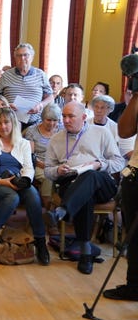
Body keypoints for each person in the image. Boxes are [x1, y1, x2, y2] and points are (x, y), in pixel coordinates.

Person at [44, 102, 124, 274]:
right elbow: (48, 171)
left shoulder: (101, 132)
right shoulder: (56, 139)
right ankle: (86, 252)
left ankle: (63, 210)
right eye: (63, 116)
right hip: (71, 181)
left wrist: (98, 164)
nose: (65, 120)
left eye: (70, 116)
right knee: (85, 194)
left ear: (83, 117)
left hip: (101, 180)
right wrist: (58, 170)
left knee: (90, 176)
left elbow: (119, 162)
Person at [0, 108, 49, 265]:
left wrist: (26, 180)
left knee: (33, 195)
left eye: (6, 122)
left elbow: (29, 168)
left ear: (13, 123)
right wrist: (3, 182)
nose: (3, 126)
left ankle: (41, 241)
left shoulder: (23, 144)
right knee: (12, 197)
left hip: (18, 183)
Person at [104, 85, 138, 300]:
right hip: (136, 173)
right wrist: (136, 93)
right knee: (133, 234)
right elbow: (124, 131)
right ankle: (134, 286)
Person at [0, 43, 53, 128]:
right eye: (19, 55)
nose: (22, 58)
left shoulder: (40, 74)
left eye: (26, 55)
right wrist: (6, 105)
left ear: (32, 57)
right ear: (15, 58)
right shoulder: (6, 75)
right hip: (10, 123)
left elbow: (50, 97)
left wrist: (40, 105)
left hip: (34, 124)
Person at [23, 104, 62, 218]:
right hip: (39, 165)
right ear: (42, 118)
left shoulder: (62, 129)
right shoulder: (32, 130)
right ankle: (49, 213)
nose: (51, 123)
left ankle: (62, 211)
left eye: (55, 120)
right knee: (48, 177)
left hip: (58, 164)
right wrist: (46, 166)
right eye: (48, 120)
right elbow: (30, 156)